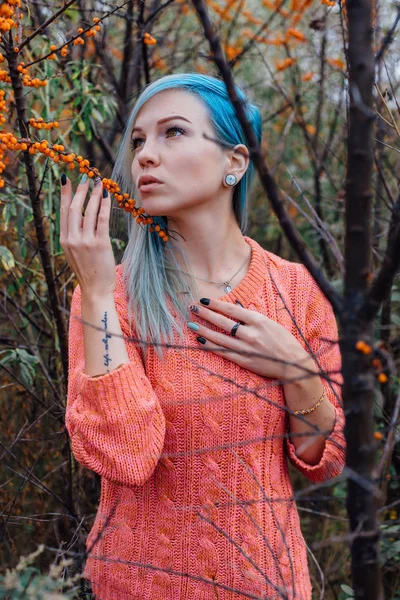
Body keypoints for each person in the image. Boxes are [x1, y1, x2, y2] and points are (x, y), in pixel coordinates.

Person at [62, 73, 346, 600]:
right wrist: (97, 292)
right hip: (136, 587)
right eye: (139, 141)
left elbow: (322, 458)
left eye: (173, 132)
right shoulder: (112, 296)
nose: (145, 155)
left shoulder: (297, 288)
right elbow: (124, 455)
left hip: (269, 584)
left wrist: (298, 370)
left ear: (234, 163)